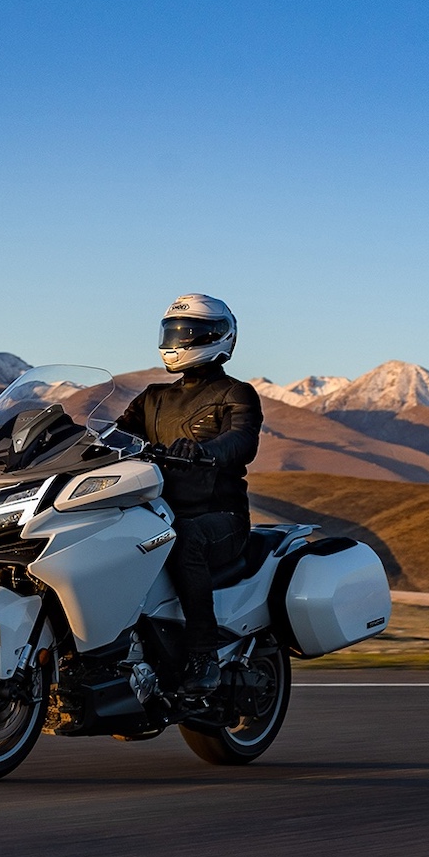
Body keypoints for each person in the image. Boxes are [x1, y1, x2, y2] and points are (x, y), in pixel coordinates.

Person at [115, 294, 263, 694]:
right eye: (173, 332)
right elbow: (114, 436)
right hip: (157, 511)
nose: (177, 341)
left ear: (217, 338)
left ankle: (204, 655)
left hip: (220, 519)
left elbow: (242, 440)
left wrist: (205, 451)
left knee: (185, 542)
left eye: (188, 333)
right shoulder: (153, 398)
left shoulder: (237, 393)